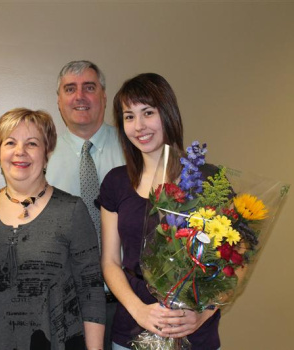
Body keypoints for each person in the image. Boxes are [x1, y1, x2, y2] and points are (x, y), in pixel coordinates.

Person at [0, 108, 105, 350]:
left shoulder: (71, 210)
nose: (20, 152)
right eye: (10, 143)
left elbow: (91, 293)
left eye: (31, 143)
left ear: (47, 152)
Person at [99, 73, 220, 350]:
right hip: (131, 331)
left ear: (168, 114)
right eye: (129, 116)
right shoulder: (116, 182)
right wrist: (139, 310)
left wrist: (202, 314)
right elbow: (109, 262)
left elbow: (235, 260)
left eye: (148, 113)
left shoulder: (208, 179)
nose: (138, 126)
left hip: (196, 335)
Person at [46, 60, 124, 349]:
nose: (80, 96)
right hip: (66, 307)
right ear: (59, 100)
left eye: (89, 88)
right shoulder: (41, 156)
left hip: (127, 305)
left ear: (104, 96)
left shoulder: (134, 148)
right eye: (70, 89)